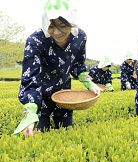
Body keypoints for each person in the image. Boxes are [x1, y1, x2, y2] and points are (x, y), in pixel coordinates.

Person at [15, 0, 102, 136]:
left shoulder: (79, 37)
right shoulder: (36, 41)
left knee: (66, 131)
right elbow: (31, 77)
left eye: (62, 25)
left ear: (71, 22)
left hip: (64, 95)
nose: (57, 32)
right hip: (40, 95)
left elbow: (78, 64)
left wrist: (89, 83)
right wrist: (31, 112)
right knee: (40, 133)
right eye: (51, 26)